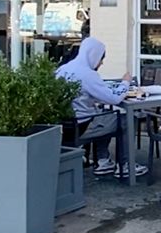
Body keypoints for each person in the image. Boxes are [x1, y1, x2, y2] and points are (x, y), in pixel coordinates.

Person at [56, 37, 148, 178]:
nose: (101, 62)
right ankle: (126, 164)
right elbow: (114, 98)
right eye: (100, 58)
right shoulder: (87, 74)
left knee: (104, 115)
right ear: (93, 56)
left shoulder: (63, 69)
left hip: (66, 125)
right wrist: (125, 83)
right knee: (127, 119)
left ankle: (103, 161)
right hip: (82, 126)